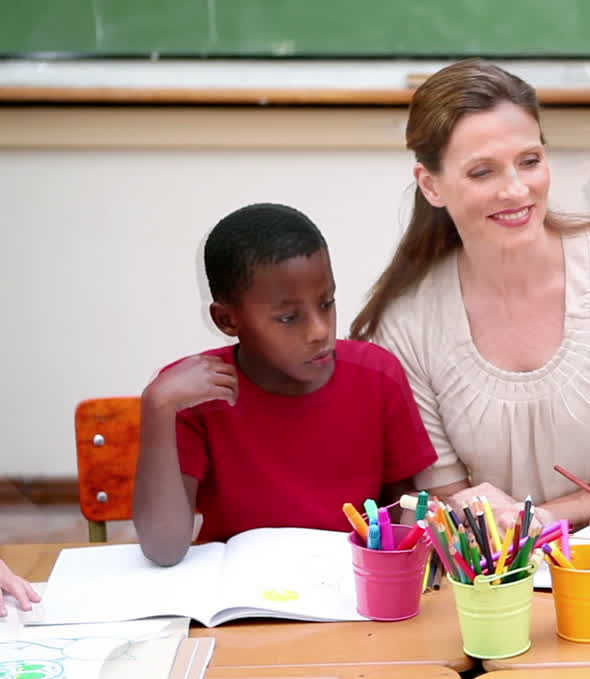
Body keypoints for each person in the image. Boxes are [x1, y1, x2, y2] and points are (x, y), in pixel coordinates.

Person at [350, 59, 590, 529]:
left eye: (530, 161)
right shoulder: (406, 323)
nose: (515, 190)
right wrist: (473, 510)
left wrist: (549, 518)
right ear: (431, 185)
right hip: (497, 576)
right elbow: (442, 491)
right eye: (482, 172)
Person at [133, 203, 437, 566]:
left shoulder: (378, 376)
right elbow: (163, 550)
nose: (320, 331)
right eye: (289, 317)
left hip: (349, 596)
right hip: (238, 604)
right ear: (227, 319)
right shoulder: (196, 395)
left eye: (326, 303)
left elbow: (403, 513)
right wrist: (157, 407)